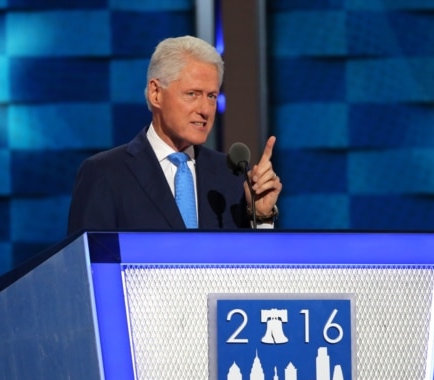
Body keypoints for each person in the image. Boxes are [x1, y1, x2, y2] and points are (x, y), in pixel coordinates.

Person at [67, 35, 282, 234]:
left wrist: (261, 216)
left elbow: (252, 266)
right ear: (156, 93)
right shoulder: (106, 173)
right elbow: (85, 265)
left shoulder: (231, 176)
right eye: (192, 94)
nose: (205, 109)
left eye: (212, 96)